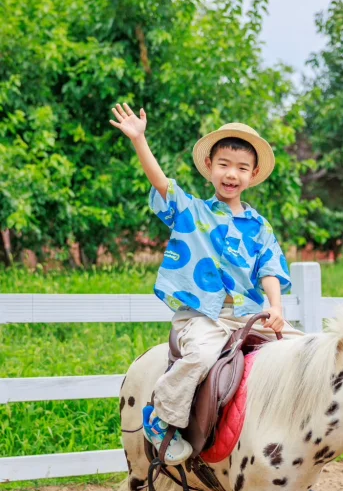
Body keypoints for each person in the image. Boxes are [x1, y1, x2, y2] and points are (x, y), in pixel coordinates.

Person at [109, 103, 296, 465]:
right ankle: (161, 417)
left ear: (254, 174)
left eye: (242, 168)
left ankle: (294, 441)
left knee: (303, 351)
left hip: (248, 314)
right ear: (209, 166)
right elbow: (161, 184)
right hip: (203, 315)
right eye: (224, 164)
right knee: (199, 357)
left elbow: (270, 268)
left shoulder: (260, 226)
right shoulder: (192, 211)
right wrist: (139, 140)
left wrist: (276, 307)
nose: (232, 174)